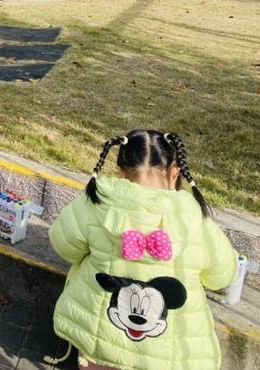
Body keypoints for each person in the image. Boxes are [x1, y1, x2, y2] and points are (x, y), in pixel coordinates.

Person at [47, 130, 238, 370]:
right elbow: (221, 276)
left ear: (121, 170)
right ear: (175, 171)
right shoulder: (195, 218)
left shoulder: (96, 202)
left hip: (99, 336)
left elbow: (64, 246)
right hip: (166, 353)